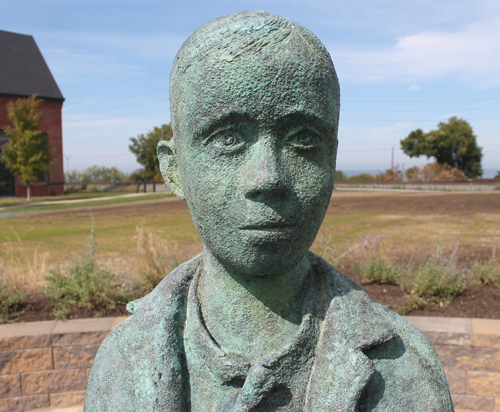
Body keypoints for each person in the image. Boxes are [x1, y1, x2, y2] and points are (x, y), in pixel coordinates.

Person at [84, 11, 453, 411]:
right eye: (227, 138)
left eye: (303, 138)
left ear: (331, 160)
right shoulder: (122, 365)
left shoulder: (405, 368)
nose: (268, 178)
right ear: (174, 169)